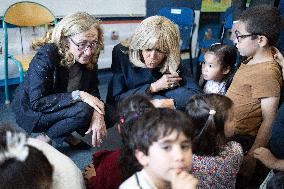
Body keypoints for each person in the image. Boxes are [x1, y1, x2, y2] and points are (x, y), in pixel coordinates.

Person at [11, 12, 107, 147]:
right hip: (34, 111)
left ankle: (64, 132)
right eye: (82, 44)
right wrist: (80, 95)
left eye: (93, 43)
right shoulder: (47, 54)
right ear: (65, 41)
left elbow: (93, 90)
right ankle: (45, 138)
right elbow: (37, 102)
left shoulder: (91, 53)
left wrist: (97, 112)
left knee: (105, 112)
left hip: (63, 102)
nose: (88, 52)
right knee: (83, 110)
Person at [226, 5, 282, 187]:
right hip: (227, 131)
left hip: (241, 141)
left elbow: (269, 119)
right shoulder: (250, 58)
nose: (235, 40)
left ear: (260, 40)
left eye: (240, 36)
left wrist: (251, 156)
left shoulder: (266, 72)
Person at [106, 16, 201, 112]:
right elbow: (116, 100)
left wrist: (165, 103)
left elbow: (197, 96)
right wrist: (153, 87)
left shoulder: (171, 54)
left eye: (160, 50)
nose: (152, 56)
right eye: (148, 49)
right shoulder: (122, 52)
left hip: (162, 97)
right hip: (133, 104)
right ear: (140, 46)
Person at [84, 94, 155, 189]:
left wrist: (92, 177)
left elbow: (97, 186)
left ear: (119, 128)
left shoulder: (112, 162)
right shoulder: (170, 151)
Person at [119, 108, 198, 189]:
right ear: (142, 156)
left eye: (184, 146)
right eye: (166, 147)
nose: (180, 156)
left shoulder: (185, 181)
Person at [185, 94, 243, 188]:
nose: (236, 120)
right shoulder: (236, 150)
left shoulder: (182, 154)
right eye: (231, 118)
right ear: (218, 127)